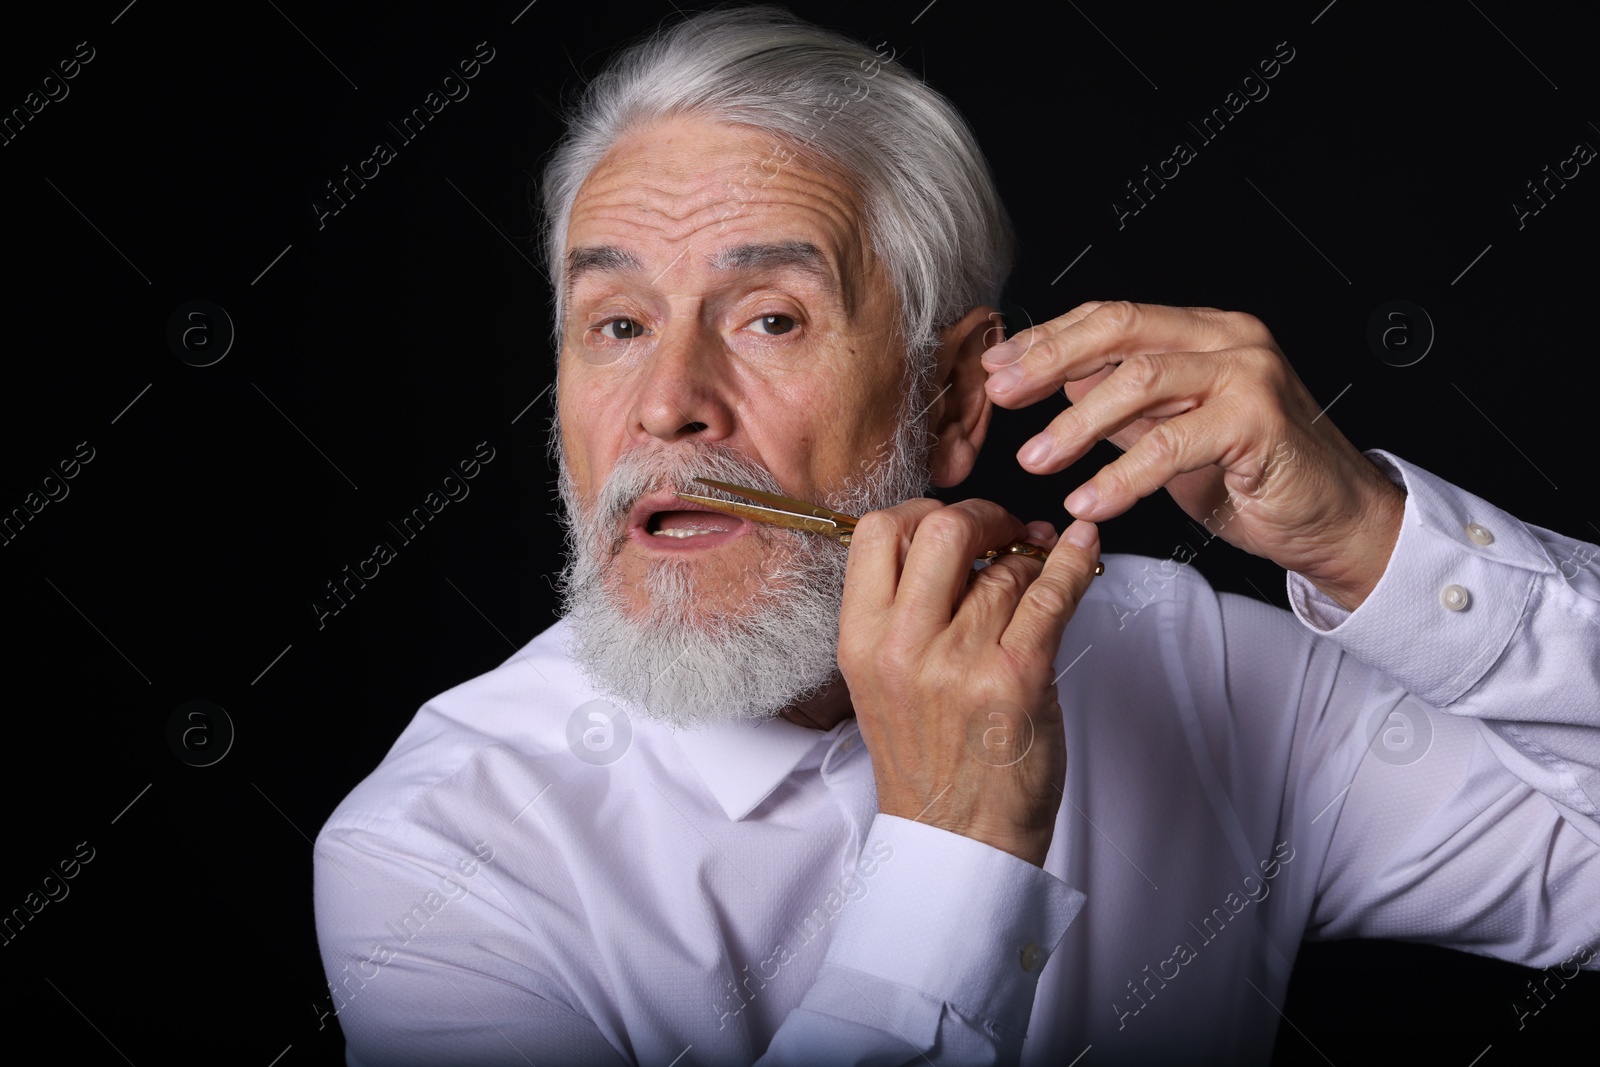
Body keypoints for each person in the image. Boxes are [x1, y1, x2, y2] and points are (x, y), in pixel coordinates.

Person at [312, 7, 1600, 1064]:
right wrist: (956, 850)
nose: (666, 405)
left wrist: (1374, 542)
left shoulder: (1183, 662)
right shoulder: (437, 856)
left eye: (769, 319)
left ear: (953, 401)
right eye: (616, 324)